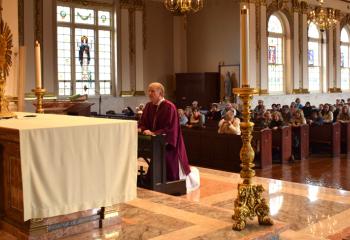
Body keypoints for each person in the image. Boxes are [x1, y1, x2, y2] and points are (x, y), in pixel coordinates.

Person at [138, 82, 200, 192]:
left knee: (169, 165)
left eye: (152, 91)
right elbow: (143, 123)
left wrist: (153, 133)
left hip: (167, 143)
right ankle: (155, 180)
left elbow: (170, 128)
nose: (149, 93)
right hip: (154, 142)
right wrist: (142, 129)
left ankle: (171, 184)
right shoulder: (148, 106)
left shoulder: (169, 107)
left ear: (160, 93)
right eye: (149, 91)